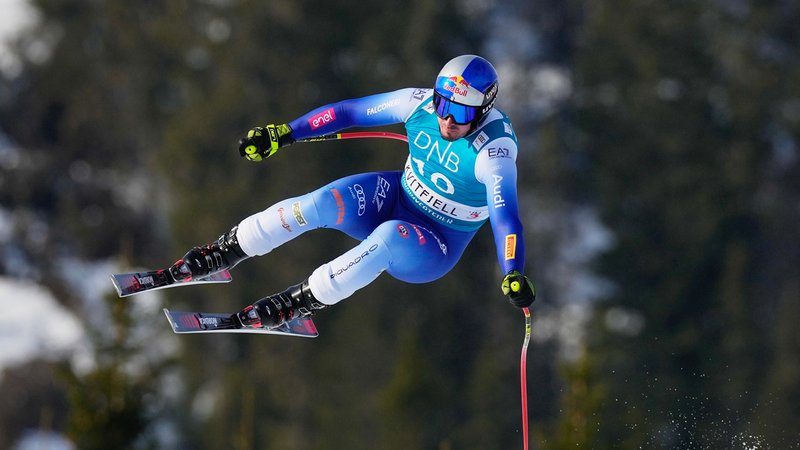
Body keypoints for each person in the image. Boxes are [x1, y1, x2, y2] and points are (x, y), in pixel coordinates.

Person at [169, 54, 536, 328]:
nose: (447, 119)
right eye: (443, 104)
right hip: (395, 197)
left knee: (388, 237)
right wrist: (285, 133)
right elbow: (349, 112)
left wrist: (512, 271)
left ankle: (299, 302)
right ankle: (225, 251)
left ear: (484, 109)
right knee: (321, 203)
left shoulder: (494, 152)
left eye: (461, 112)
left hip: (433, 242)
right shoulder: (419, 104)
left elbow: (506, 217)